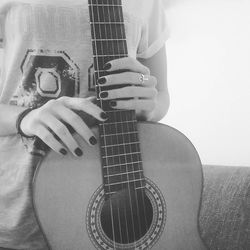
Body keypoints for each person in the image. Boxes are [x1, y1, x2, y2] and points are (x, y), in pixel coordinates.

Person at [0, 0, 169, 249]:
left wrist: (147, 102)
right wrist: (25, 118)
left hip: (124, 199)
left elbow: (161, 95)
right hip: (21, 206)